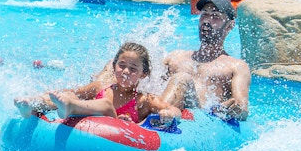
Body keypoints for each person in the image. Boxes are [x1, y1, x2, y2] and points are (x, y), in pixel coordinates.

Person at [14, 42, 181, 126]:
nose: (125, 71)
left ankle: (69, 107)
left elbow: (173, 110)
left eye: (133, 69)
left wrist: (169, 114)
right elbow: (74, 92)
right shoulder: (101, 87)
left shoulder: (144, 100)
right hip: (84, 122)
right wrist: (52, 97)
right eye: (121, 65)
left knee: (107, 107)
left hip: (117, 141)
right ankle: (31, 105)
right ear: (114, 65)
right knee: (71, 95)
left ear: (143, 74)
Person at [160, 0, 251, 121]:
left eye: (215, 16)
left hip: (201, 120)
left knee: (182, 78)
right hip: (169, 113)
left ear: (229, 26)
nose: (207, 21)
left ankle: (157, 120)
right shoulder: (174, 58)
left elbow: (243, 110)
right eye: (204, 15)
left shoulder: (236, 66)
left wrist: (234, 108)